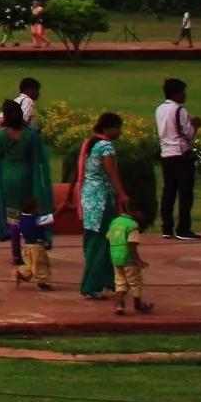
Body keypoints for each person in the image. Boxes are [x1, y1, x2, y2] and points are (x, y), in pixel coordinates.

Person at [0, 100, 53, 291]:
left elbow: (0, 154)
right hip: (26, 175)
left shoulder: (1, 134)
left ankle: (16, 253)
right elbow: (37, 156)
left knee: (13, 216)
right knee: (30, 211)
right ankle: (35, 244)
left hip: (9, 176)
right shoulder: (29, 135)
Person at [76, 113, 125, 297]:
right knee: (101, 243)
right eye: (117, 128)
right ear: (106, 129)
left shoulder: (90, 142)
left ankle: (108, 280)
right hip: (102, 199)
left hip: (89, 196)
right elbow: (111, 173)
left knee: (94, 240)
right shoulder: (105, 146)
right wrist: (123, 194)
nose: (119, 132)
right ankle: (91, 286)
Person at [155, 78, 201, 239]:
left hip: (166, 153)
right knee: (185, 193)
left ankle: (167, 227)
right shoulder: (180, 110)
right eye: (183, 92)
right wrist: (195, 124)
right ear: (176, 94)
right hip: (180, 154)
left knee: (169, 191)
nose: (185, 96)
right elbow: (188, 133)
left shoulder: (159, 109)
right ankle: (183, 228)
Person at [108, 198, 153, 315]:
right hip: (128, 258)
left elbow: (109, 237)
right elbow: (131, 243)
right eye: (143, 214)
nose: (144, 217)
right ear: (136, 212)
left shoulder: (115, 222)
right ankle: (138, 304)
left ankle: (119, 304)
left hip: (115, 257)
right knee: (135, 281)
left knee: (120, 280)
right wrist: (138, 259)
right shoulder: (132, 225)